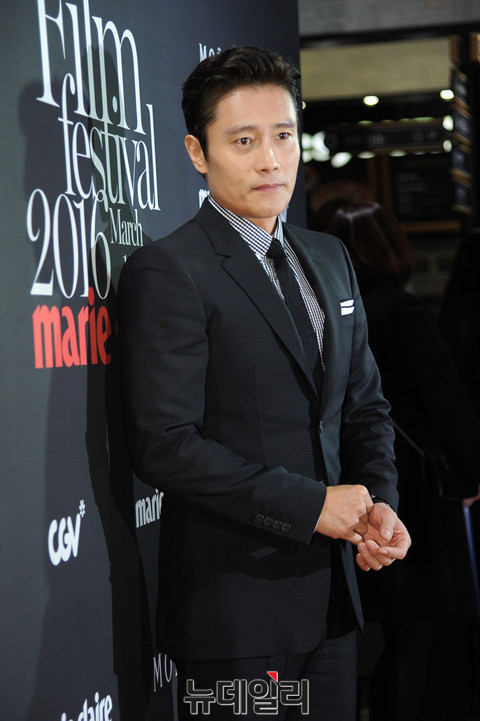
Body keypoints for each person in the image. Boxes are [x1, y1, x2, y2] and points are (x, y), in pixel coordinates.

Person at [117, 48, 410, 721]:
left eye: (283, 136)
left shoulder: (329, 257)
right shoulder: (170, 270)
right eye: (244, 141)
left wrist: (380, 505)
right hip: (235, 619)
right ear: (198, 152)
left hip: (334, 607)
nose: (271, 160)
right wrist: (311, 505)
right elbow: (164, 444)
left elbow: (365, 406)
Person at [319, 200, 480, 721]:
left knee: (399, 634)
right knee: (426, 633)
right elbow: (447, 402)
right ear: (391, 245)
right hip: (421, 495)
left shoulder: (330, 312)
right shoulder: (404, 312)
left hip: (359, 487)